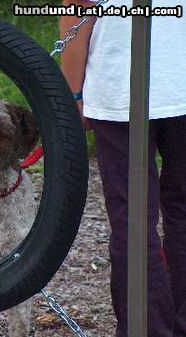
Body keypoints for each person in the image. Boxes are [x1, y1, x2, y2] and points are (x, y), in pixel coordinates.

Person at [60, 0, 186, 336]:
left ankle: (146, 330)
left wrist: (73, 94)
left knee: (133, 221)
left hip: (121, 81)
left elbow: (77, 8)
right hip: (126, 82)